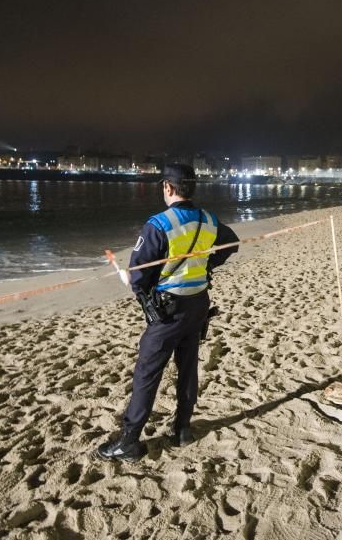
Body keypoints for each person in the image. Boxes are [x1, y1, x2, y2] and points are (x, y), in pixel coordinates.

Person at [97, 164, 239, 462]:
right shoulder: (208, 220)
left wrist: (139, 285)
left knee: (147, 373)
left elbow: (138, 277)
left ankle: (130, 440)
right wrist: (208, 264)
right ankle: (182, 430)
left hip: (169, 311)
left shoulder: (159, 224)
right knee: (188, 369)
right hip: (197, 304)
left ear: (168, 187)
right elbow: (232, 243)